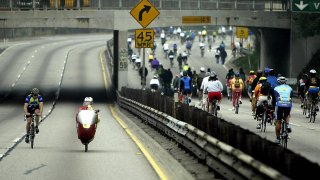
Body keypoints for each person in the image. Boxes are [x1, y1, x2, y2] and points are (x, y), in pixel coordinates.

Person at [274, 77, 293, 144]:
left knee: (278, 121)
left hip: (280, 104)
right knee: (287, 115)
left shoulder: (276, 88)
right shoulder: (290, 88)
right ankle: (287, 125)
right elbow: (291, 97)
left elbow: (274, 100)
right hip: (288, 104)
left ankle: (278, 138)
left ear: (278, 82)